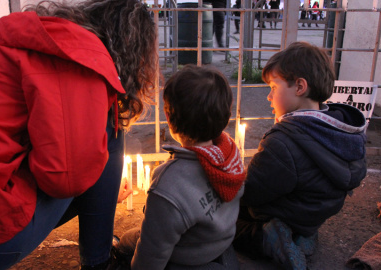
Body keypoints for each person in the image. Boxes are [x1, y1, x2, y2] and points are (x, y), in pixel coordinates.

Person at [0, 0, 158, 269]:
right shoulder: (78, 61)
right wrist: (99, 187)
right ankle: (98, 262)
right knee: (109, 129)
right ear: (132, 50)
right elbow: (64, 180)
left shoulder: (16, 45)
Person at [232, 41, 367, 270]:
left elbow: (251, 191)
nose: (268, 97)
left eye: (274, 87)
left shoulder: (283, 141)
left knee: (225, 222)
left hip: (289, 210)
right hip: (316, 210)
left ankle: (268, 240)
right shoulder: (343, 127)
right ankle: (303, 235)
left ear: (300, 87)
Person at [112, 65, 246, 270]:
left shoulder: (169, 183)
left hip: (187, 257)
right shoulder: (230, 156)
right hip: (218, 242)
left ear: (169, 117)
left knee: (127, 242)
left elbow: (151, 256)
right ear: (226, 115)